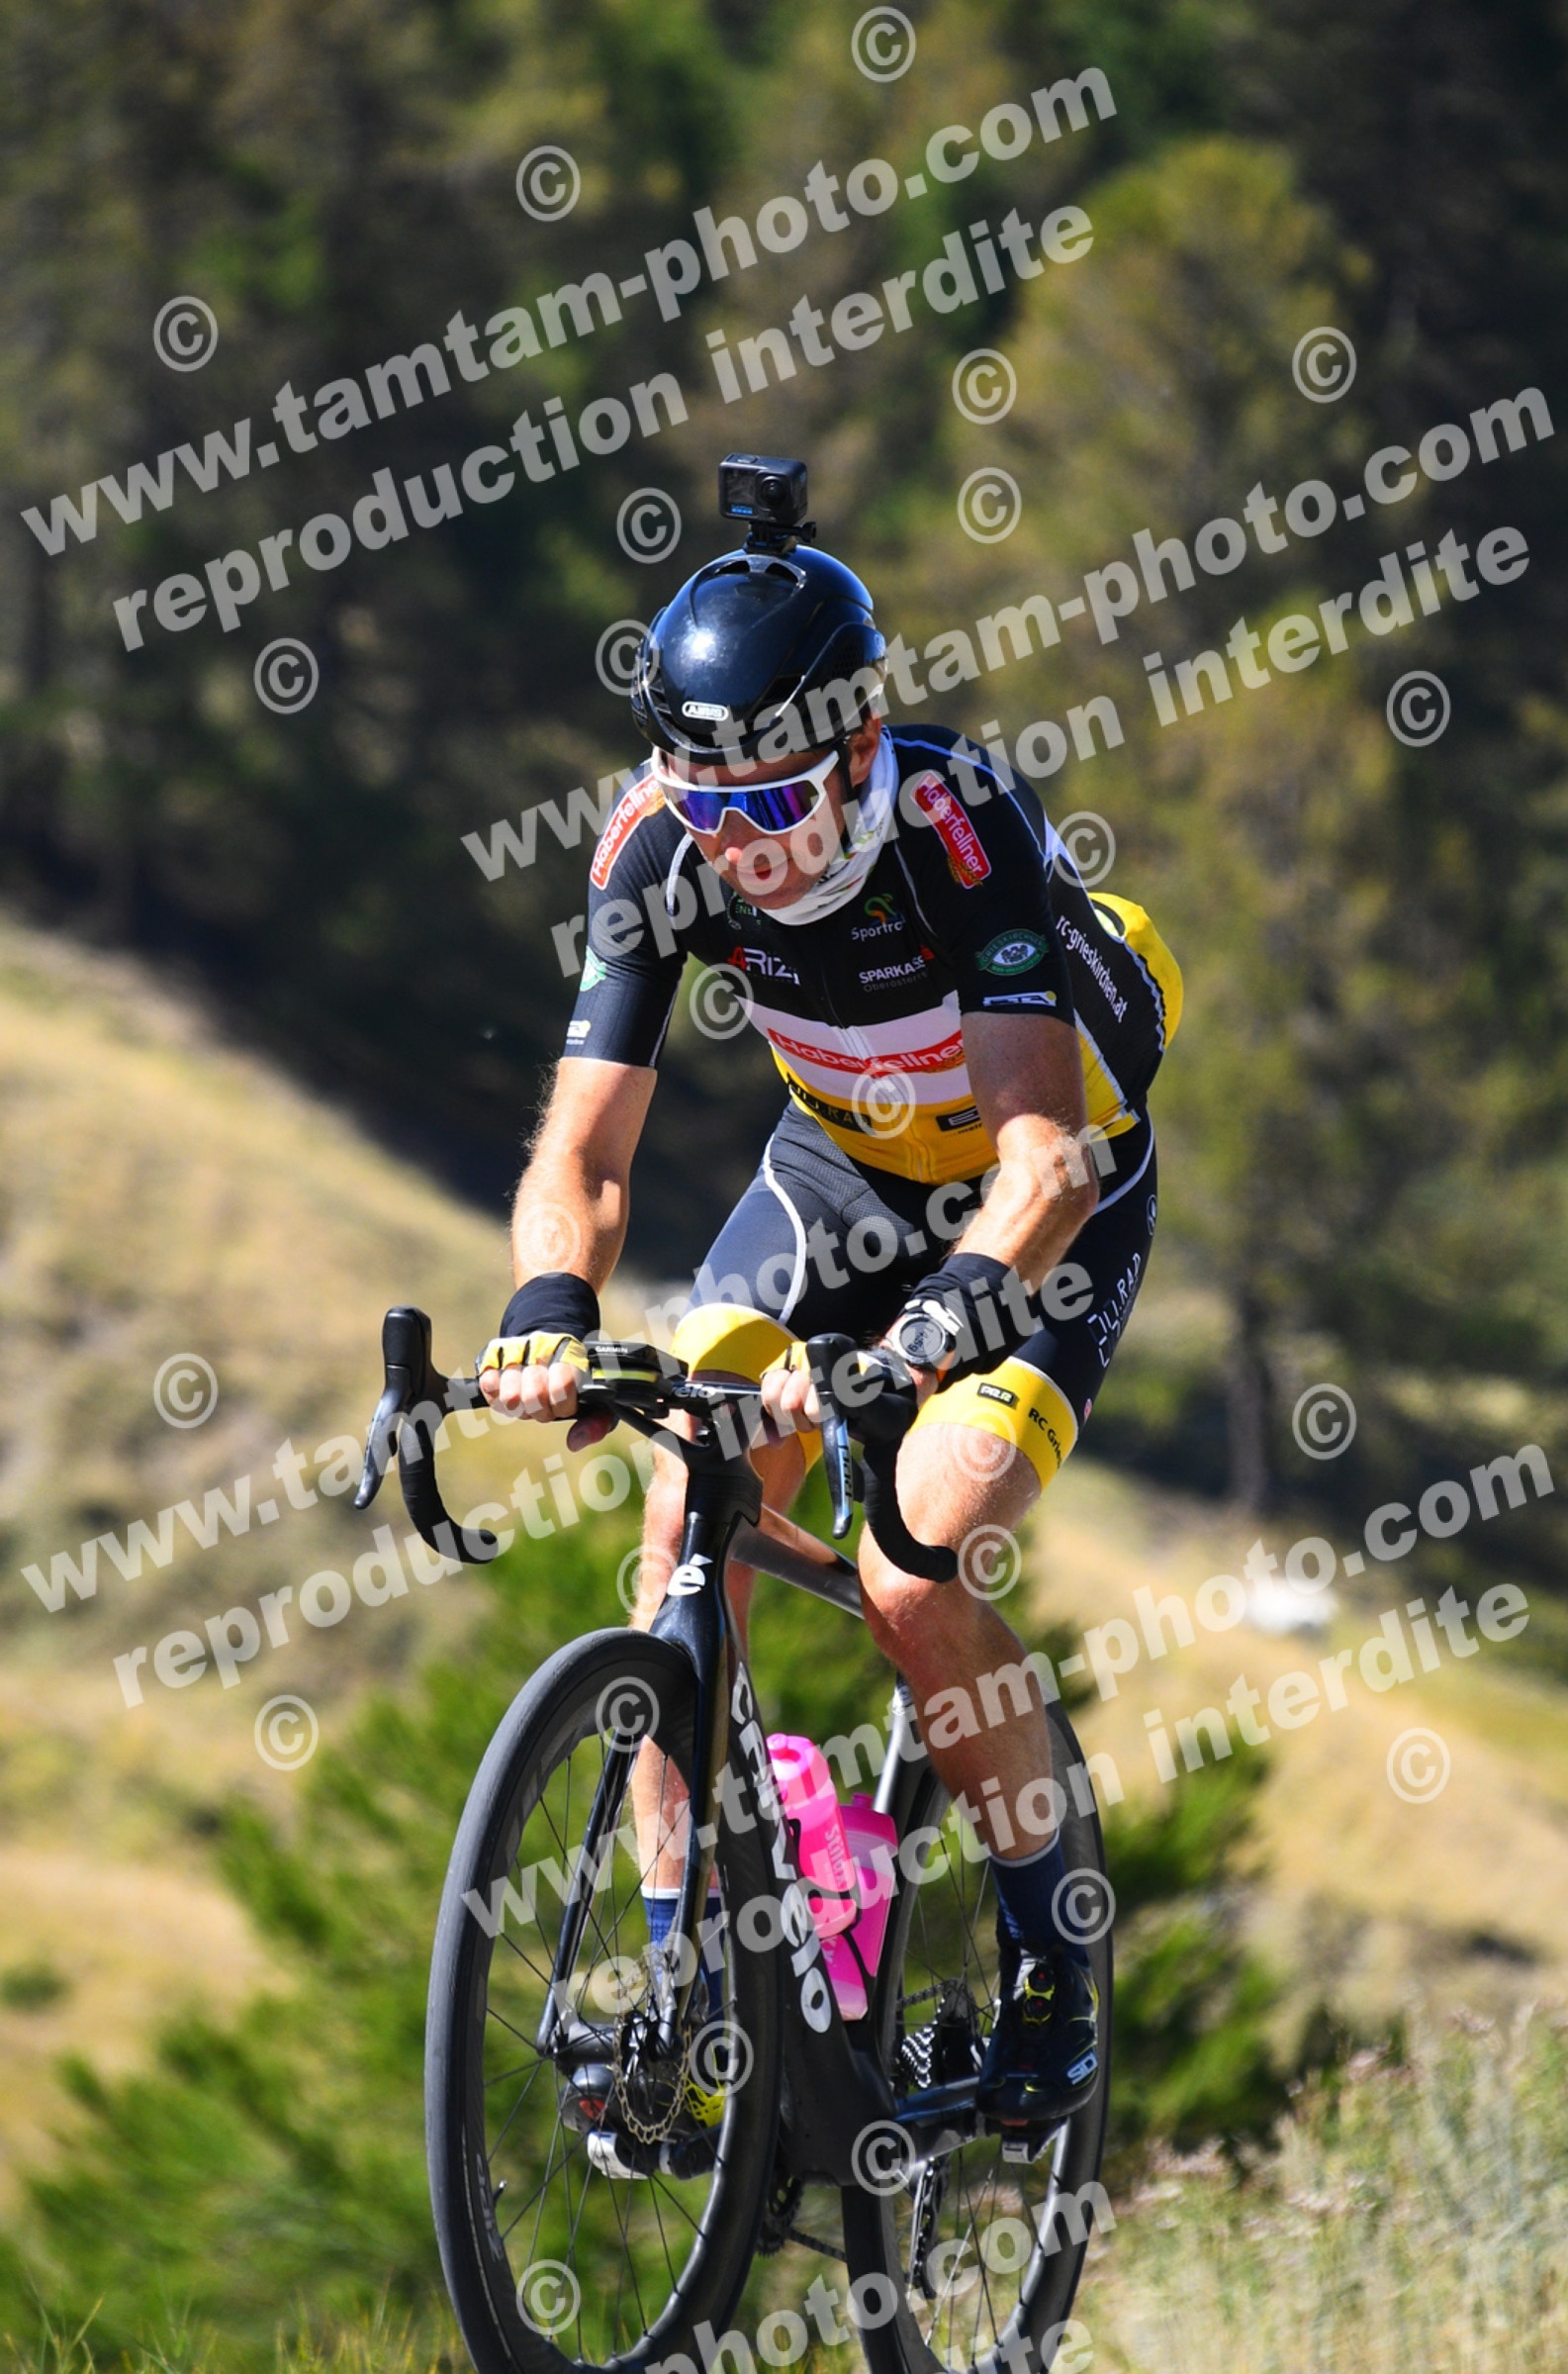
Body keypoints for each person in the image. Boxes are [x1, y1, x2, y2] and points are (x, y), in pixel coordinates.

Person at [477, 482, 1181, 2149]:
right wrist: (548, 1304)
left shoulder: (953, 821)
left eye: (778, 799)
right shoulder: (662, 845)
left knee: (910, 1568)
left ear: (859, 748)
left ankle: (1047, 1963)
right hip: (842, 1172)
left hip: (1039, 1199)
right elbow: (582, 1152)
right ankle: (683, 1984)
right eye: (709, 804)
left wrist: (943, 1326)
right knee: (683, 1517)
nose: (745, 844)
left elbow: (1041, 1158)